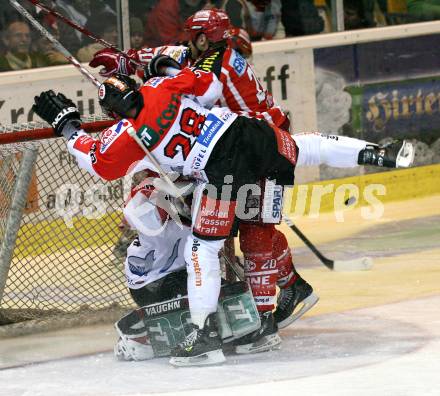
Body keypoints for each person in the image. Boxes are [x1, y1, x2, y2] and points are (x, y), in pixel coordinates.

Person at [32, 68, 414, 365]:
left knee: (201, 251)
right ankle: (381, 154)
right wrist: (163, 71)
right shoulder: (159, 88)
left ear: (113, 112)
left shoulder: (126, 134)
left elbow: (95, 161)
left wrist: (67, 125)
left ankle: (201, 335)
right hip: (243, 131)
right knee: (304, 146)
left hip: (221, 170)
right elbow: (211, 85)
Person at [88, 8, 317, 354]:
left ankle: (264, 319)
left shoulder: (219, 65)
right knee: (231, 233)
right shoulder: (212, 57)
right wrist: (129, 61)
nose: (187, 45)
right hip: (241, 152)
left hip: (258, 153)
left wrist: (131, 66)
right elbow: (170, 60)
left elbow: (180, 77)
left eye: (193, 39)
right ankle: (289, 287)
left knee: (254, 232)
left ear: (205, 40)